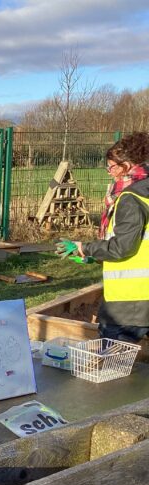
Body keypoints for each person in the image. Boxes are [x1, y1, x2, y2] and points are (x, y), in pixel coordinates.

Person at [56, 132, 149, 344]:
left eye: (112, 167)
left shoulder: (131, 199)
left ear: (127, 165)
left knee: (110, 365)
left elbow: (122, 247)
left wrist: (85, 247)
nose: (110, 173)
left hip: (130, 302)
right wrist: (94, 256)